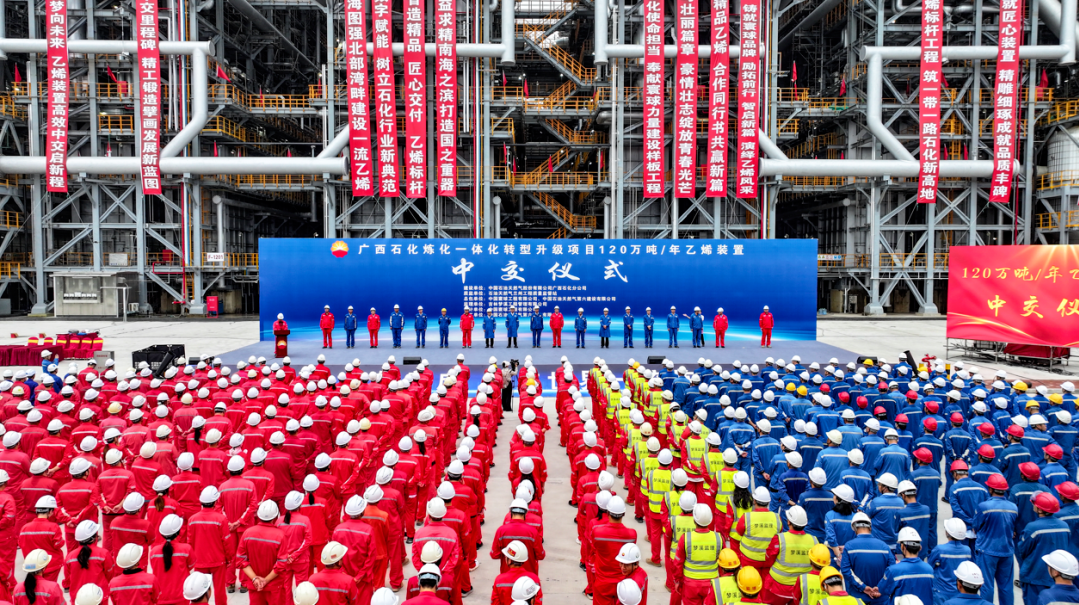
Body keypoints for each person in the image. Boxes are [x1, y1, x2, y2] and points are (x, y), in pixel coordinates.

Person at [1019, 493, 1071, 605]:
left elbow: (1023, 550)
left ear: (1039, 509)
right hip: (1056, 576)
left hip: (1034, 576)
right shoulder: (1064, 526)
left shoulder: (1032, 527)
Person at [974, 473, 1017, 605]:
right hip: (1007, 551)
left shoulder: (984, 507)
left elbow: (976, 526)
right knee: (1006, 587)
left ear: (990, 489)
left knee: (986, 585)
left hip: (987, 551)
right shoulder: (1013, 507)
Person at [238, 501, 289, 605]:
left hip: (255, 586)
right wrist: (265, 580)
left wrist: (255, 579)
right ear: (276, 517)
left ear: (258, 516)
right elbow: (281, 564)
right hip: (275, 587)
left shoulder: (247, 533)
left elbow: (241, 560)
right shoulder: (280, 536)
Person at [840, 512, 892, 605]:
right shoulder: (884, 546)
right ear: (870, 527)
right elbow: (892, 570)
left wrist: (863, 587)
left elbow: (846, 570)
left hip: (858, 599)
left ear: (854, 528)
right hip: (881, 598)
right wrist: (880, 588)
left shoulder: (849, 546)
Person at [674, 505, 722, 605]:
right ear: (710, 520)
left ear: (694, 520)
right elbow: (723, 563)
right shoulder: (718, 538)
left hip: (691, 584)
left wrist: (678, 580)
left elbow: (678, 563)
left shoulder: (686, 538)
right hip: (711, 584)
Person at [878, 527, 933, 605]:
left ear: (902, 547)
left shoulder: (893, 570)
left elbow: (881, 590)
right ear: (920, 548)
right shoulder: (929, 570)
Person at [928, 518, 972, 605]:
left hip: (941, 592)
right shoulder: (967, 550)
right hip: (959, 592)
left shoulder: (940, 549)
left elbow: (930, 566)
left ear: (947, 533)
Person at [492, 540, 542, 605]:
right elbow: (538, 602)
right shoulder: (534, 579)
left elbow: (495, 603)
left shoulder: (499, 580)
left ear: (509, 561)